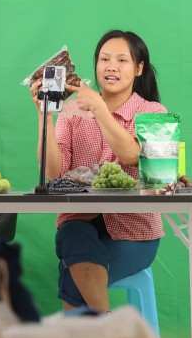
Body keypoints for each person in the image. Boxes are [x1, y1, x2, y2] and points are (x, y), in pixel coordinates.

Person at [30, 30, 166, 313]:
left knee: (71, 273)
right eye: (104, 59)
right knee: (73, 234)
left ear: (139, 68)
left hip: (135, 232)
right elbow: (54, 174)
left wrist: (99, 108)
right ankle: (108, 336)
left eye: (122, 60)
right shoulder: (70, 112)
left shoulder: (155, 112)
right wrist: (45, 117)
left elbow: (132, 155)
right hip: (79, 222)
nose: (111, 66)